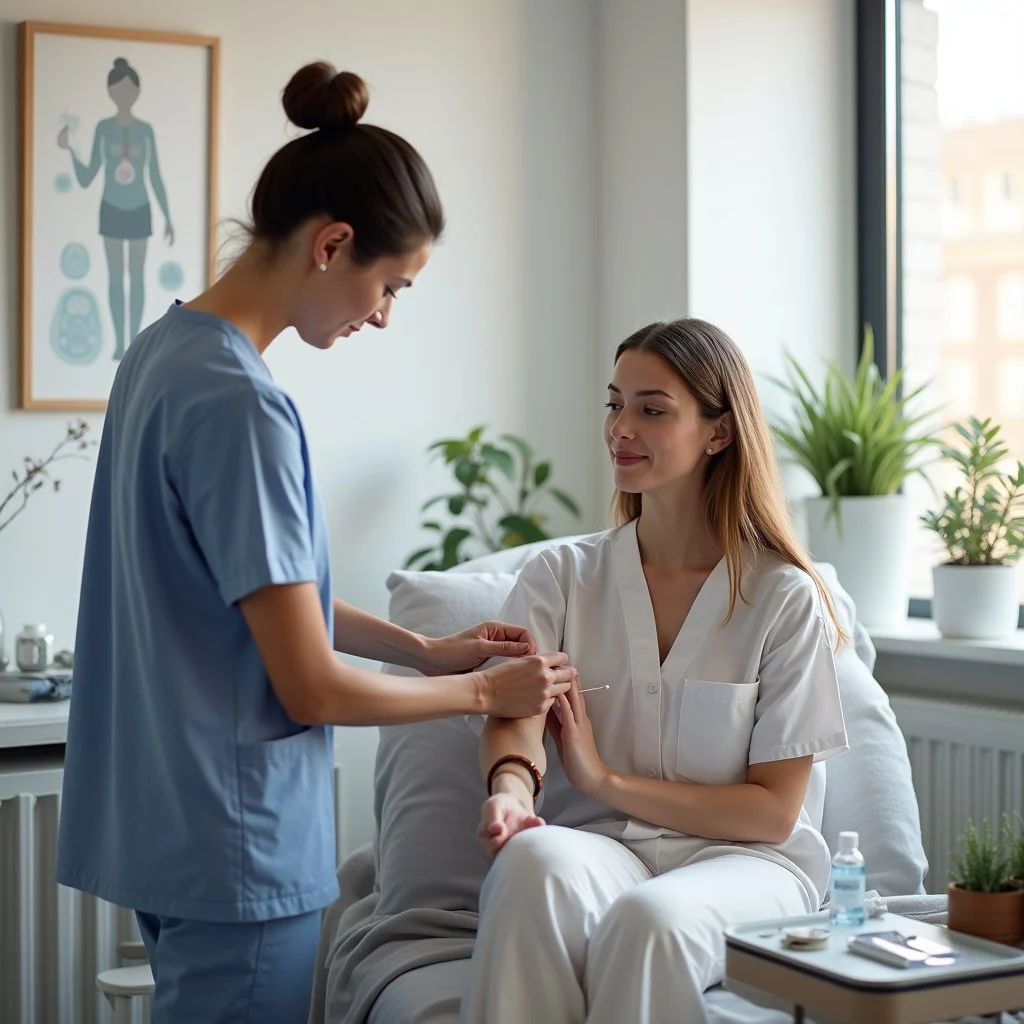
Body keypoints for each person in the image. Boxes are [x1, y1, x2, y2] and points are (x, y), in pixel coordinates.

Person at [55, 63, 574, 1024]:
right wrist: (476, 692)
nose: (381, 314)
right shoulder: (244, 405)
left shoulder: (162, 354)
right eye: (391, 286)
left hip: (165, 823)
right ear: (333, 245)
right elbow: (309, 685)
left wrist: (423, 648)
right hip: (235, 840)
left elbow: (259, 590)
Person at [461, 318, 850, 1024]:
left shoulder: (783, 599)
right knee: (529, 866)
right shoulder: (561, 577)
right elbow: (514, 713)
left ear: (718, 432)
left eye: (651, 409)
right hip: (606, 846)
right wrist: (512, 791)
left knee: (649, 923)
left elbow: (771, 812)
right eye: (614, 404)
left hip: (749, 864)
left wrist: (605, 780)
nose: (621, 428)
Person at [58, 57, 173, 360]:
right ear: (111, 93)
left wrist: (168, 217)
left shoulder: (145, 131)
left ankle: (134, 343)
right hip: (110, 207)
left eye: (128, 90)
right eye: (117, 91)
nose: (123, 96)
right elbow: (87, 177)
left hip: (140, 208)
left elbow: (156, 175)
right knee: (114, 277)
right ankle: (120, 343)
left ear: (136, 92)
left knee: (136, 278)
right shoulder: (103, 128)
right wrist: (71, 148)